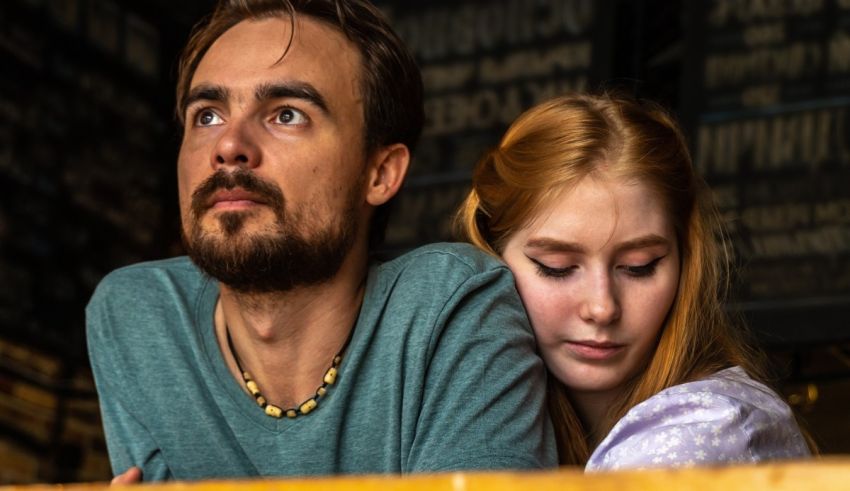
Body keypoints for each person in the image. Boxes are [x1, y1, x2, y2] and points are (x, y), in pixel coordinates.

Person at [86, 0, 556, 482]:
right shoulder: (137, 315)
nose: (229, 146)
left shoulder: (450, 304)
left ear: (379, 172)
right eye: (207, 116)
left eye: (287, 114)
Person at [456, 93, 812, 470]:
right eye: (556, 266)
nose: (602, 307)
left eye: (638, 266)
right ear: (492, 259)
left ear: (685, 260)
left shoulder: (706, 432)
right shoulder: (509, 422)